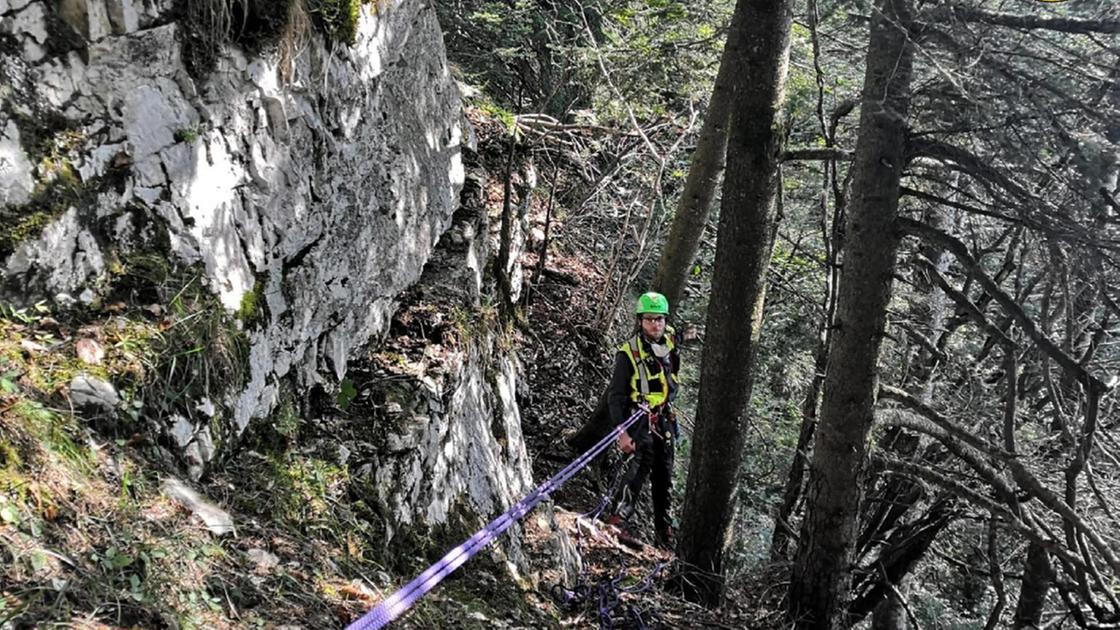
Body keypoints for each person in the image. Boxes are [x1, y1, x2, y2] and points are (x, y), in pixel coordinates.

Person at [604, 291, 681, 549]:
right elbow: (615, 397)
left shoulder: (669, 345)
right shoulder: (627, 354)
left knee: (665, 475)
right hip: (639, 420)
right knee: (637, 471)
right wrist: (622, 432)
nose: (655, 325)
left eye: (659, 319)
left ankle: (664, 533)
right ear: (640, 321)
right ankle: (617, 522)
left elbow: (673, 373)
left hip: (664, 419)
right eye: (649, 320)